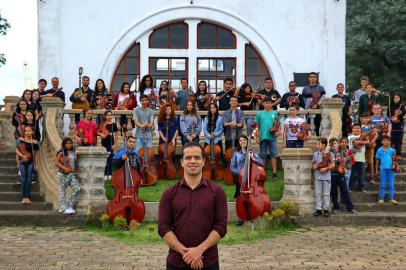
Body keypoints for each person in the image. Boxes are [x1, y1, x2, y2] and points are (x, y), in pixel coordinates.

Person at [158, 142, 227, 270]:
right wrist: (186, 253)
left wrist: (200, 250)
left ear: (203, 161)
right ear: (182, 162)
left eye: (197, 157)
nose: (193, 161)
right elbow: (163, 228)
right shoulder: (169, 194)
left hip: (208, 263)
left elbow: (221, 227)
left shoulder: (217, 192)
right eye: (188, 158)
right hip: (176, 262)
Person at [230, 135, 264, 225]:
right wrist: (241, 172)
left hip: (252, 178)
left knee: (252, 198)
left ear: (247, 141)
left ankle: (252, 215)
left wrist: (253, 158)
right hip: (241, 179)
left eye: (244, 140)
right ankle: (241, 217)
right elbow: (232, 168)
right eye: (241, 140)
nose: (242, 142)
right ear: (239, 142)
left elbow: (261, 163)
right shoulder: (236, 154)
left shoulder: (252, 152)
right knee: (239, 197)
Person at [328, 138, 356, 214]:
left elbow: (350, 162)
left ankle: (350, 208)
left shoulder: (343, 153)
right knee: (333, 192)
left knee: (345, 191)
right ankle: (336, 208)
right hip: (331, 174)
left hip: (341, 174)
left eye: (335, 143)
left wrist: (346, 169)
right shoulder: (327, 153)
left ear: (338, 144)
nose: (333, 145)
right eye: (331, 144)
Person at [55, 137, 80, 214]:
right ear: (64, 144)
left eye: (70, 143)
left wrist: (76, 171)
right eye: (67, 143)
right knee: (63, 190)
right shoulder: (61, 152)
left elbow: (75, 163)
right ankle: (62, 208)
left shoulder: (73, 152)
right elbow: (56, 163)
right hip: (63, 174)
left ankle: (69, 206)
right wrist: (64, 168)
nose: (69, 145)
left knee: (77, 188)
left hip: (72, 173)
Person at [255, 97, 279, 179]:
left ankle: (274, 173)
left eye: (269, 103)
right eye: (266, 103)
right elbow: (257, 126)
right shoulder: (259, 114)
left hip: (272, 137)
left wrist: (277, 131)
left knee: (273, 155)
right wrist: (257, 136)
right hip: (263, 136)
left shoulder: (274, 113)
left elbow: (277, 124)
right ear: (263, 104)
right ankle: (262, 172)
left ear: (271, 104)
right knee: (263, 155)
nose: (267, 104)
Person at [16, 125, 39, 204]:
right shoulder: (21, 139)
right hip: (22, 162)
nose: (27, 132)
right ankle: (23, 197)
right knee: (23, 179)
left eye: (29, 131)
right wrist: (22, 156)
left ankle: (28, 197)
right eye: (26, 131)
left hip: (31, 162)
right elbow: (17, 150)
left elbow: (36, 155)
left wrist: (36, 165)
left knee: (29, 180)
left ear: (32, 132)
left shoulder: (35, 142)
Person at [312, 138, 334, 217]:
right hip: (318, 176)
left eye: (319, 144)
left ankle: (326, 209)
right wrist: (314, 166)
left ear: (324, 145)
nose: (317, 145)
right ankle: (318, 209)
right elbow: (313, 163)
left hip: (326, 177)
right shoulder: (315, 154)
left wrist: (326, 168)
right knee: (318, 193)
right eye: (317, 144)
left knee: (326, 194)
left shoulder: (329, 154)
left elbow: (333, 164)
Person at [302, 72, 326, 136]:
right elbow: (303, 100)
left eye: (314, 77)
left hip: (318, 110)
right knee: (308, 125)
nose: (312, 78)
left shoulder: (321, 88)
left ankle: (317, 139)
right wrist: (305, 109)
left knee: (317, 125)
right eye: (311, 77)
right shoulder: (305, 89)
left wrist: (317, 105)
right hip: (308, 110)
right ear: (309, 78)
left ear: (316, 79)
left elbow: (323, 99)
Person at [375, 135, 398, 204]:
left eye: (388, 140)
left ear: (390, 142)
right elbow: (377, 160)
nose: (386, 141)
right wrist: (376, 169)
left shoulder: (393, 150)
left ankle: (391, 198)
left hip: (391, 169)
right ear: (382, 142)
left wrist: (396, 166)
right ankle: (381, 198)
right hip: (382, 169)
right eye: (384, 140)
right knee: (383, 184)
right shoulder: (379, 150)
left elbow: (394, 159)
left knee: (391, 184)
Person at [348, 123, 369, 192]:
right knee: (351, 174)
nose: (356, 129)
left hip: (361, 159)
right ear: (352, 129)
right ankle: (349, 187)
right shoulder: (349, 137)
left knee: (361, 175)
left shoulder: (363, 136)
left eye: (358, 128)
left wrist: (359, 141)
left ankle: (362, 188)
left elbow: (368, 142)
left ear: (361, 130)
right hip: (351, 159)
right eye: (355, 128)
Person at [99, 110, 118, 180]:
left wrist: (115, 144)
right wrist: (101, 135)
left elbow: (116, 135)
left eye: (110, 115)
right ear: (105, 116)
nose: (109, 117)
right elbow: (99, 133)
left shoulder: (114, 124)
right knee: (105, 158)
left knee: (110, 158)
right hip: (104, 142)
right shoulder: (102, 124)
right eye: (108, 115)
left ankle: (110, 174)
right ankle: (105, 174)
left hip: (111, 142)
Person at [360, 113, 378, 183]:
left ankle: (372, 178)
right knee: (362, 162)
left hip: (370, 146)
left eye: (367, 118)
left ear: (369, 118)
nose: (366, 119)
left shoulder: (372, 126)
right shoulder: (360, 126)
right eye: (364, 118)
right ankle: (362, 178)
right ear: (362, 119)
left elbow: (376, 134)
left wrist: (372, 141)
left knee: (370, 162)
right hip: (362, 146)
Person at [387, 92, 405, 159]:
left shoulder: (401, 105)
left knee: (399, 138)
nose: (396, 99)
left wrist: (398, 118)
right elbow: (388, 115)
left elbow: (403, 113)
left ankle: (398, 154)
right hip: (392, 123)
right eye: (394, 97)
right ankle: (392, 153)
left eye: (397, 97)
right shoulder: (390, 105)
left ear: (400, 98)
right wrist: (391, 120)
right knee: (392, 138)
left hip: (400, 123)